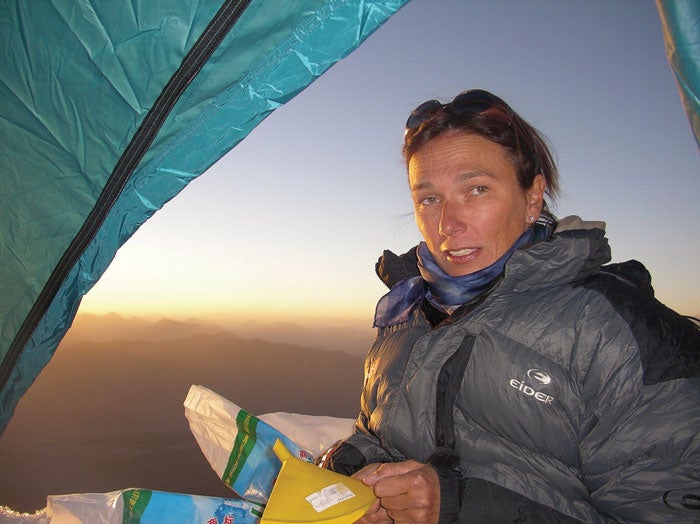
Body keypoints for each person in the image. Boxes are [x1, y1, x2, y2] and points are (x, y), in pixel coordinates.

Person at [318, 89, 700, 523]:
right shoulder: (407, 314)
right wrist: (350, 469)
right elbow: (378, 435)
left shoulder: (615, 332)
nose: (448, 225)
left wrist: (461, 508)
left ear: (532, 197)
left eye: (476, 189)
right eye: (428, 199)